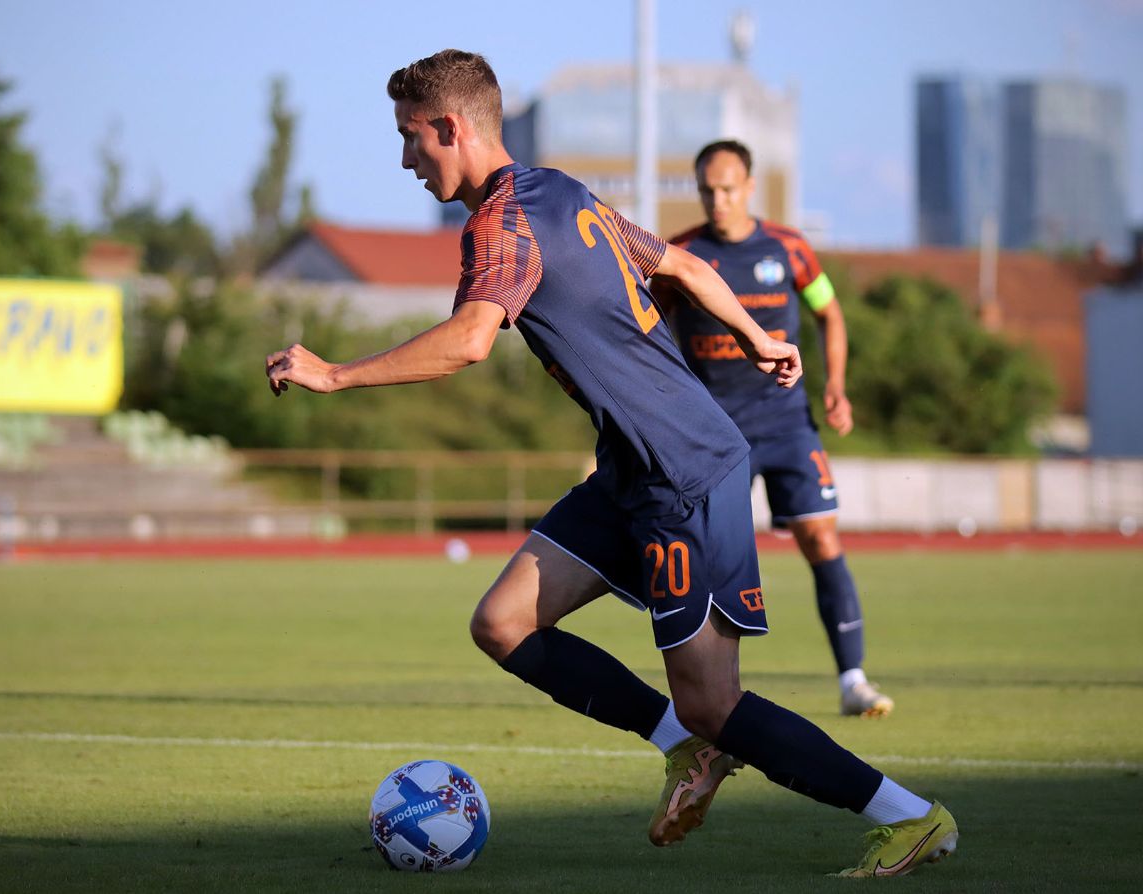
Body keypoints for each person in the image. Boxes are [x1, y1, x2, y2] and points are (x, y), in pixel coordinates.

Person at [266, 49, 956, 877]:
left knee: (713, 701)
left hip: (683, 473)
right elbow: (685, 266)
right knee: (503, 623)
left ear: (451, 127)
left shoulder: (502, 224)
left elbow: (470, 341)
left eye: (412, 137)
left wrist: (336, 375)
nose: (407, 159)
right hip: (628, 471)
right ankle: (686, 747)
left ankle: (908, 816)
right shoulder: (559, 191)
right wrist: (756, 336)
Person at [652, 139, 893, 717]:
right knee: (710, 562)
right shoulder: (681, 254)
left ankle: (854, 681)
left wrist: (836, 383)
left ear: (750, 187)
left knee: (822, 539)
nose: (717, 200)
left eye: (727, 189)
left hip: (787, 424)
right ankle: (712, 696)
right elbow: (648, 326)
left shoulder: (790, 248)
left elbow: (828, 311)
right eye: (707, 190)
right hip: (715, 434)